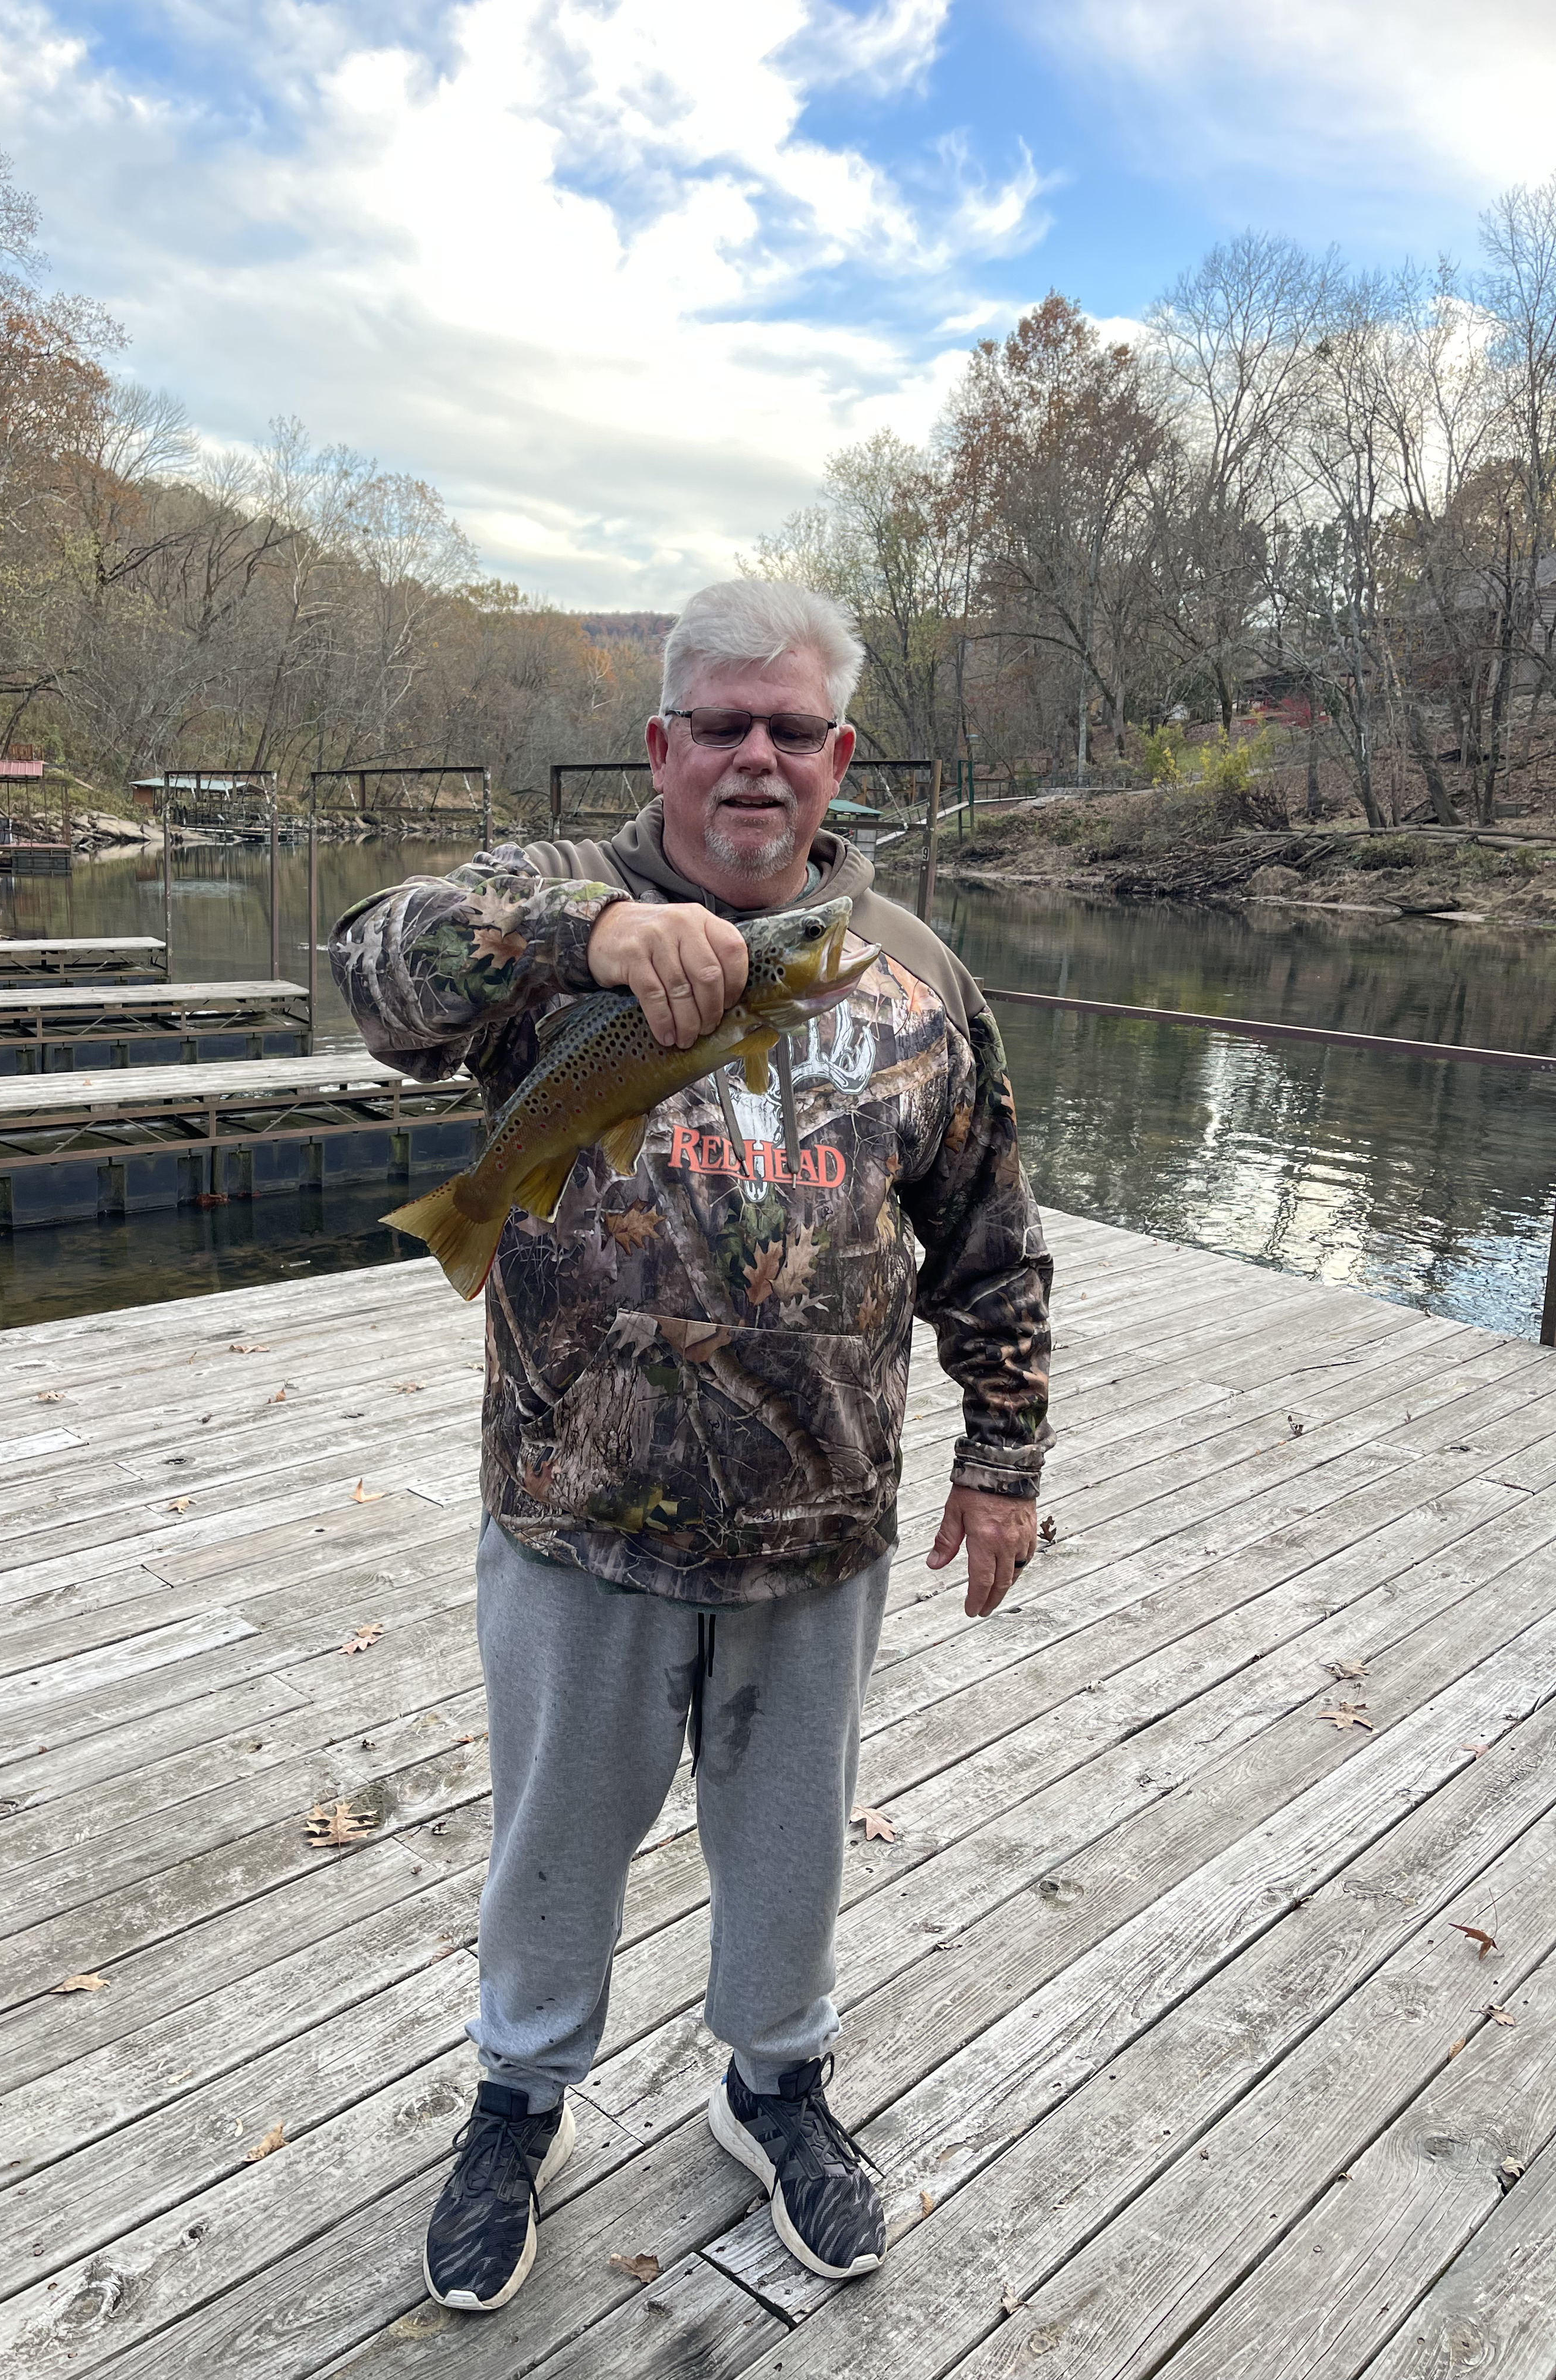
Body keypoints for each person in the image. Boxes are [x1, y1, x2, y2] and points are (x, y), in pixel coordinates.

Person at [331, 579, 1052, 2314]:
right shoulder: (535, 916)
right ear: (659, 747)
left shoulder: (918, 976)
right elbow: (366, 967)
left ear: (838, 760)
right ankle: (519, 2093)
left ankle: (775, 2081)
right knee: (556, 1839)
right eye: (719, 724)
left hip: (821, 1528)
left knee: (792, 1849)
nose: (754, 757)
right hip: (577, 1511)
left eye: (789, 729)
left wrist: (1005, 1455)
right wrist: (577, 938)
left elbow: (990, 1232)